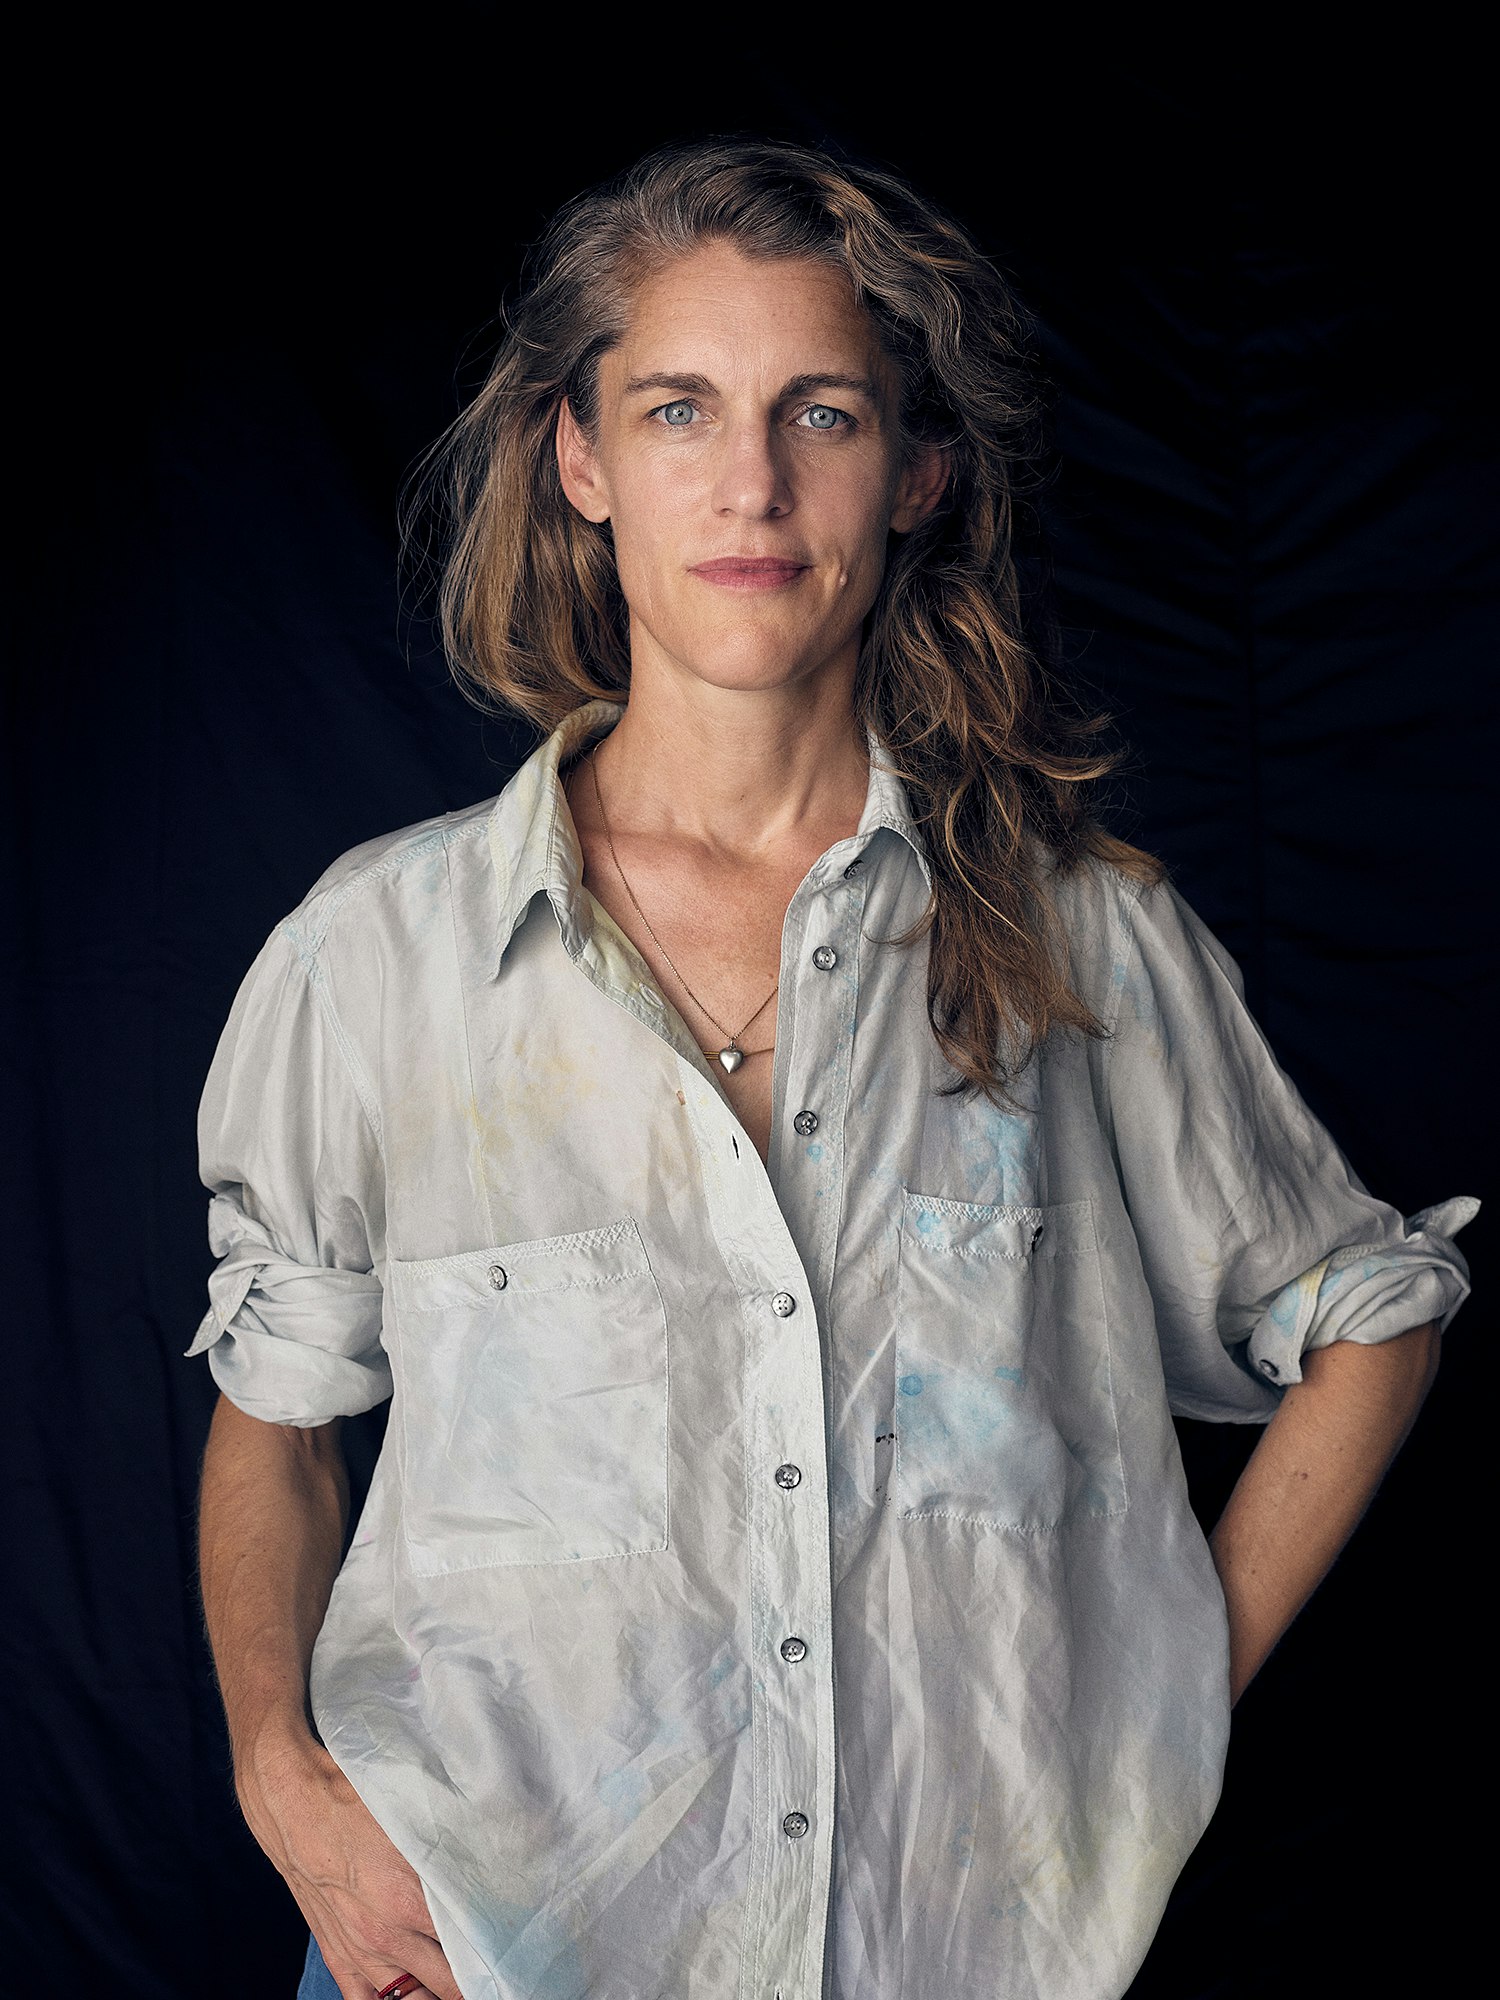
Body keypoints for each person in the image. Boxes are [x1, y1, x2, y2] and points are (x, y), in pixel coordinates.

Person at [191, 139, 1476, 2000]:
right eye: (678, 409)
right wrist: (280, 1780)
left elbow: (1371, 1313)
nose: (753, 484)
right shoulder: (377, 956)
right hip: (475, 1949)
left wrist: (1171, 1694)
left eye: (824, 413)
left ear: (919, 473)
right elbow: (278, 1418)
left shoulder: (1080, 942)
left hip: (956, 1950)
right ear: (579, 460)